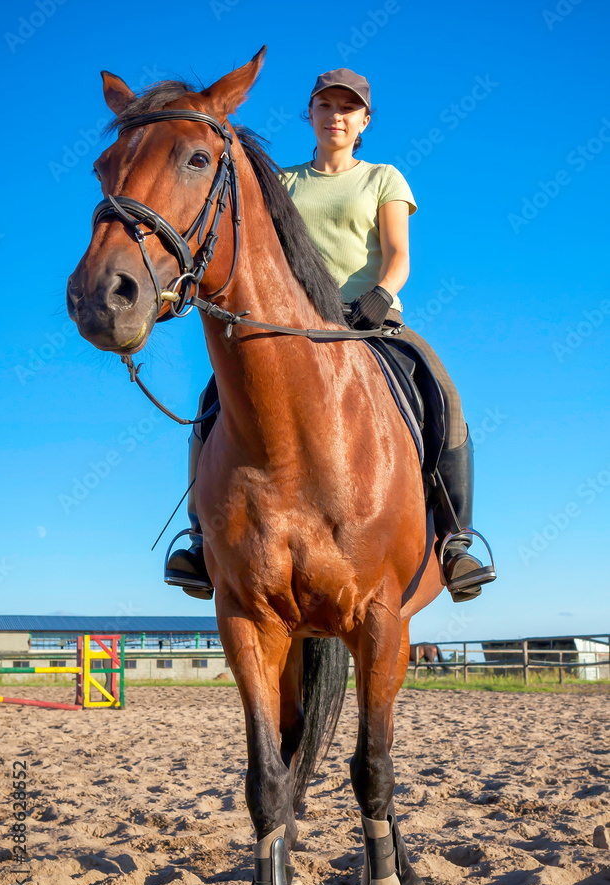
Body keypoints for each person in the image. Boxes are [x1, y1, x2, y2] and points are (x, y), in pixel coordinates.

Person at [165, 69, 496, 603]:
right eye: (326, 105)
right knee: (212, 402)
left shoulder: (383, 177)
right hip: (292, 324)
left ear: (364, 120)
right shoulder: (285, 182)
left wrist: (381, 296)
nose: (336, 115)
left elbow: (398, 257)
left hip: (370, 318)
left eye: (349, 108)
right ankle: (201, 539)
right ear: (311, 114)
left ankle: (457, 541)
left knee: (444, 397)